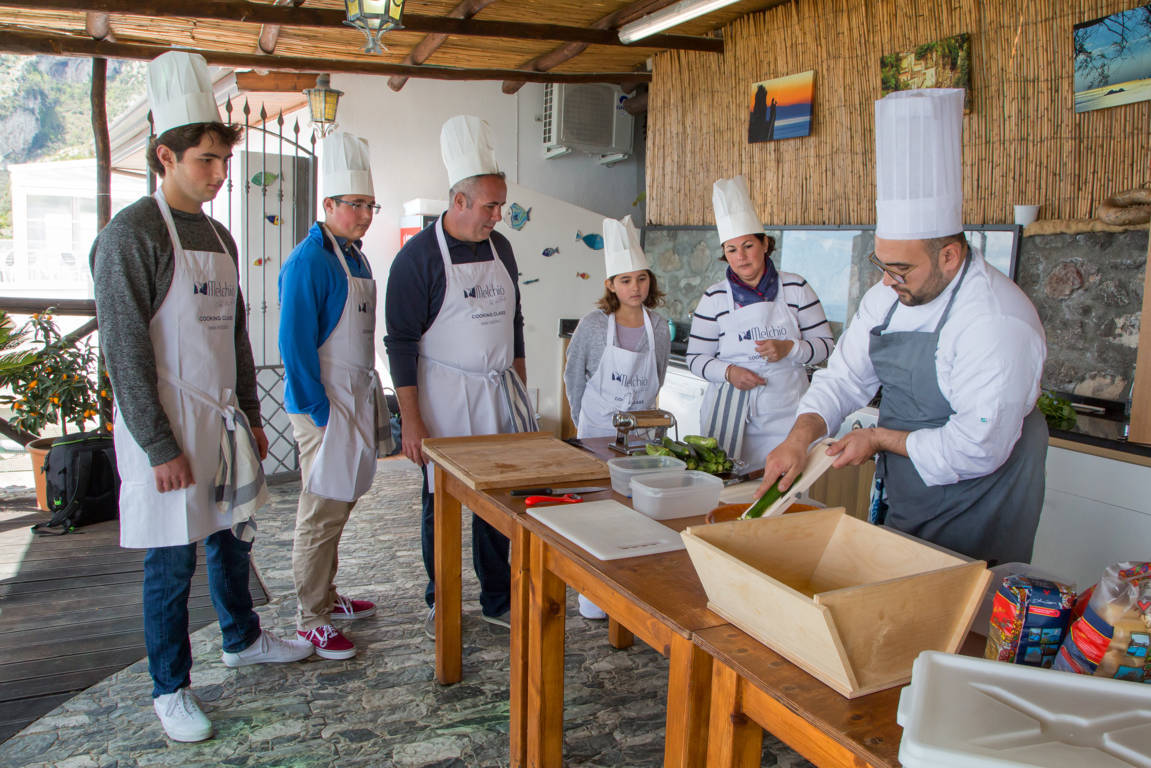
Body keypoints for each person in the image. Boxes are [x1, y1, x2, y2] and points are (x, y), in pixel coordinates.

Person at [90, 51, 312, 744]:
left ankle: (242, 636)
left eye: (223, 160)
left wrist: (248, 413)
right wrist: (159, 445)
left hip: (218, 418)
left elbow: (237, 337)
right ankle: (170, 689)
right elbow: (123, 350)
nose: (220, 175)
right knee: (171, 559)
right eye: (206, 161)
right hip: (166, 423)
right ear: (165, 155)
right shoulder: (131, 235)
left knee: (231, 536)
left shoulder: (217, 234)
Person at [760, 88, 1048, 566]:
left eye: (902, 270)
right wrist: (798, 437)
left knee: (959, 619)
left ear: (950, 256)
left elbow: (976, 449)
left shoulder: (996, 322)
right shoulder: (889, 296)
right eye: (883, 265)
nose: (888, 281)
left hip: (980, 497)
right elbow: (844, 378)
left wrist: (877, 438)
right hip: (910, 485)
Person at [384, 115, 537, 639]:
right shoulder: (417, 259)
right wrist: (411, 422)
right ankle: (441, 599)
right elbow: (400, 344)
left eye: (501, 204)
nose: (499, 214)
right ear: (459, 201)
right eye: (491, 205)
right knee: (441, 502)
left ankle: (498, 598)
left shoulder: (503, 250)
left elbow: (514, 322)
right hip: (444, 397)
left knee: (499, 500)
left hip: (499, 393)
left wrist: (519, 388)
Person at [279, 131, 391, 660]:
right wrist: (317, 412)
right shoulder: (310, 261)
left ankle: (327, 595)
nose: (365, 214)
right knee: (321, 511)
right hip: (323, 402)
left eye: (370, 205)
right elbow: (294, 343)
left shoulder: (356, 258)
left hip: (354, 397)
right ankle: (311, 620)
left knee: (342, 502)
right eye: (355, 205)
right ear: (328, 205)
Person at [686, 175, 835, 470]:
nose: (741, 257)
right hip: (729, 419)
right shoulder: (714, 297)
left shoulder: (796, 288)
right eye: (731, 249)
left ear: (765, 243)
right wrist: (728, 372)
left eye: (748, 246)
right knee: (727, 494)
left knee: (782, 499)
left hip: (788, 420)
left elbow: (826, 347)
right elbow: (695, 359)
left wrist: (790, 349)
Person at [563, 215, 670, 619]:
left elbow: (657, 376)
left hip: (642, 435)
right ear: (610, 285)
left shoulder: (657, 326)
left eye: (641, 279)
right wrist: (582, 423)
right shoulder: (593, 326)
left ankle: (629, 587)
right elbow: (574, 376)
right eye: (625, 280)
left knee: (636, 510)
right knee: (597, 507)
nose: (635, 288)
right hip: (597, 428)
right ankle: (592, 593)